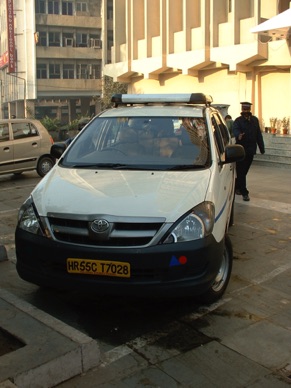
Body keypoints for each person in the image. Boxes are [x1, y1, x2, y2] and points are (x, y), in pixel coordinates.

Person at [233, 102, 265, 201]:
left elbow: (258, 135)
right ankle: (244, 192)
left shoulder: (255, 120)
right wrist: (239, 135)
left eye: (247, 110)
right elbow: (235, 130)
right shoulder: (238, 121)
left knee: (244, 171)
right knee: (241, 172)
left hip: (251, 150)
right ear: (242, 110)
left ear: (249, 110)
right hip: (240, 151)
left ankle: (236, 186)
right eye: (244, 110)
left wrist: (261, 147)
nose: (246, 112)